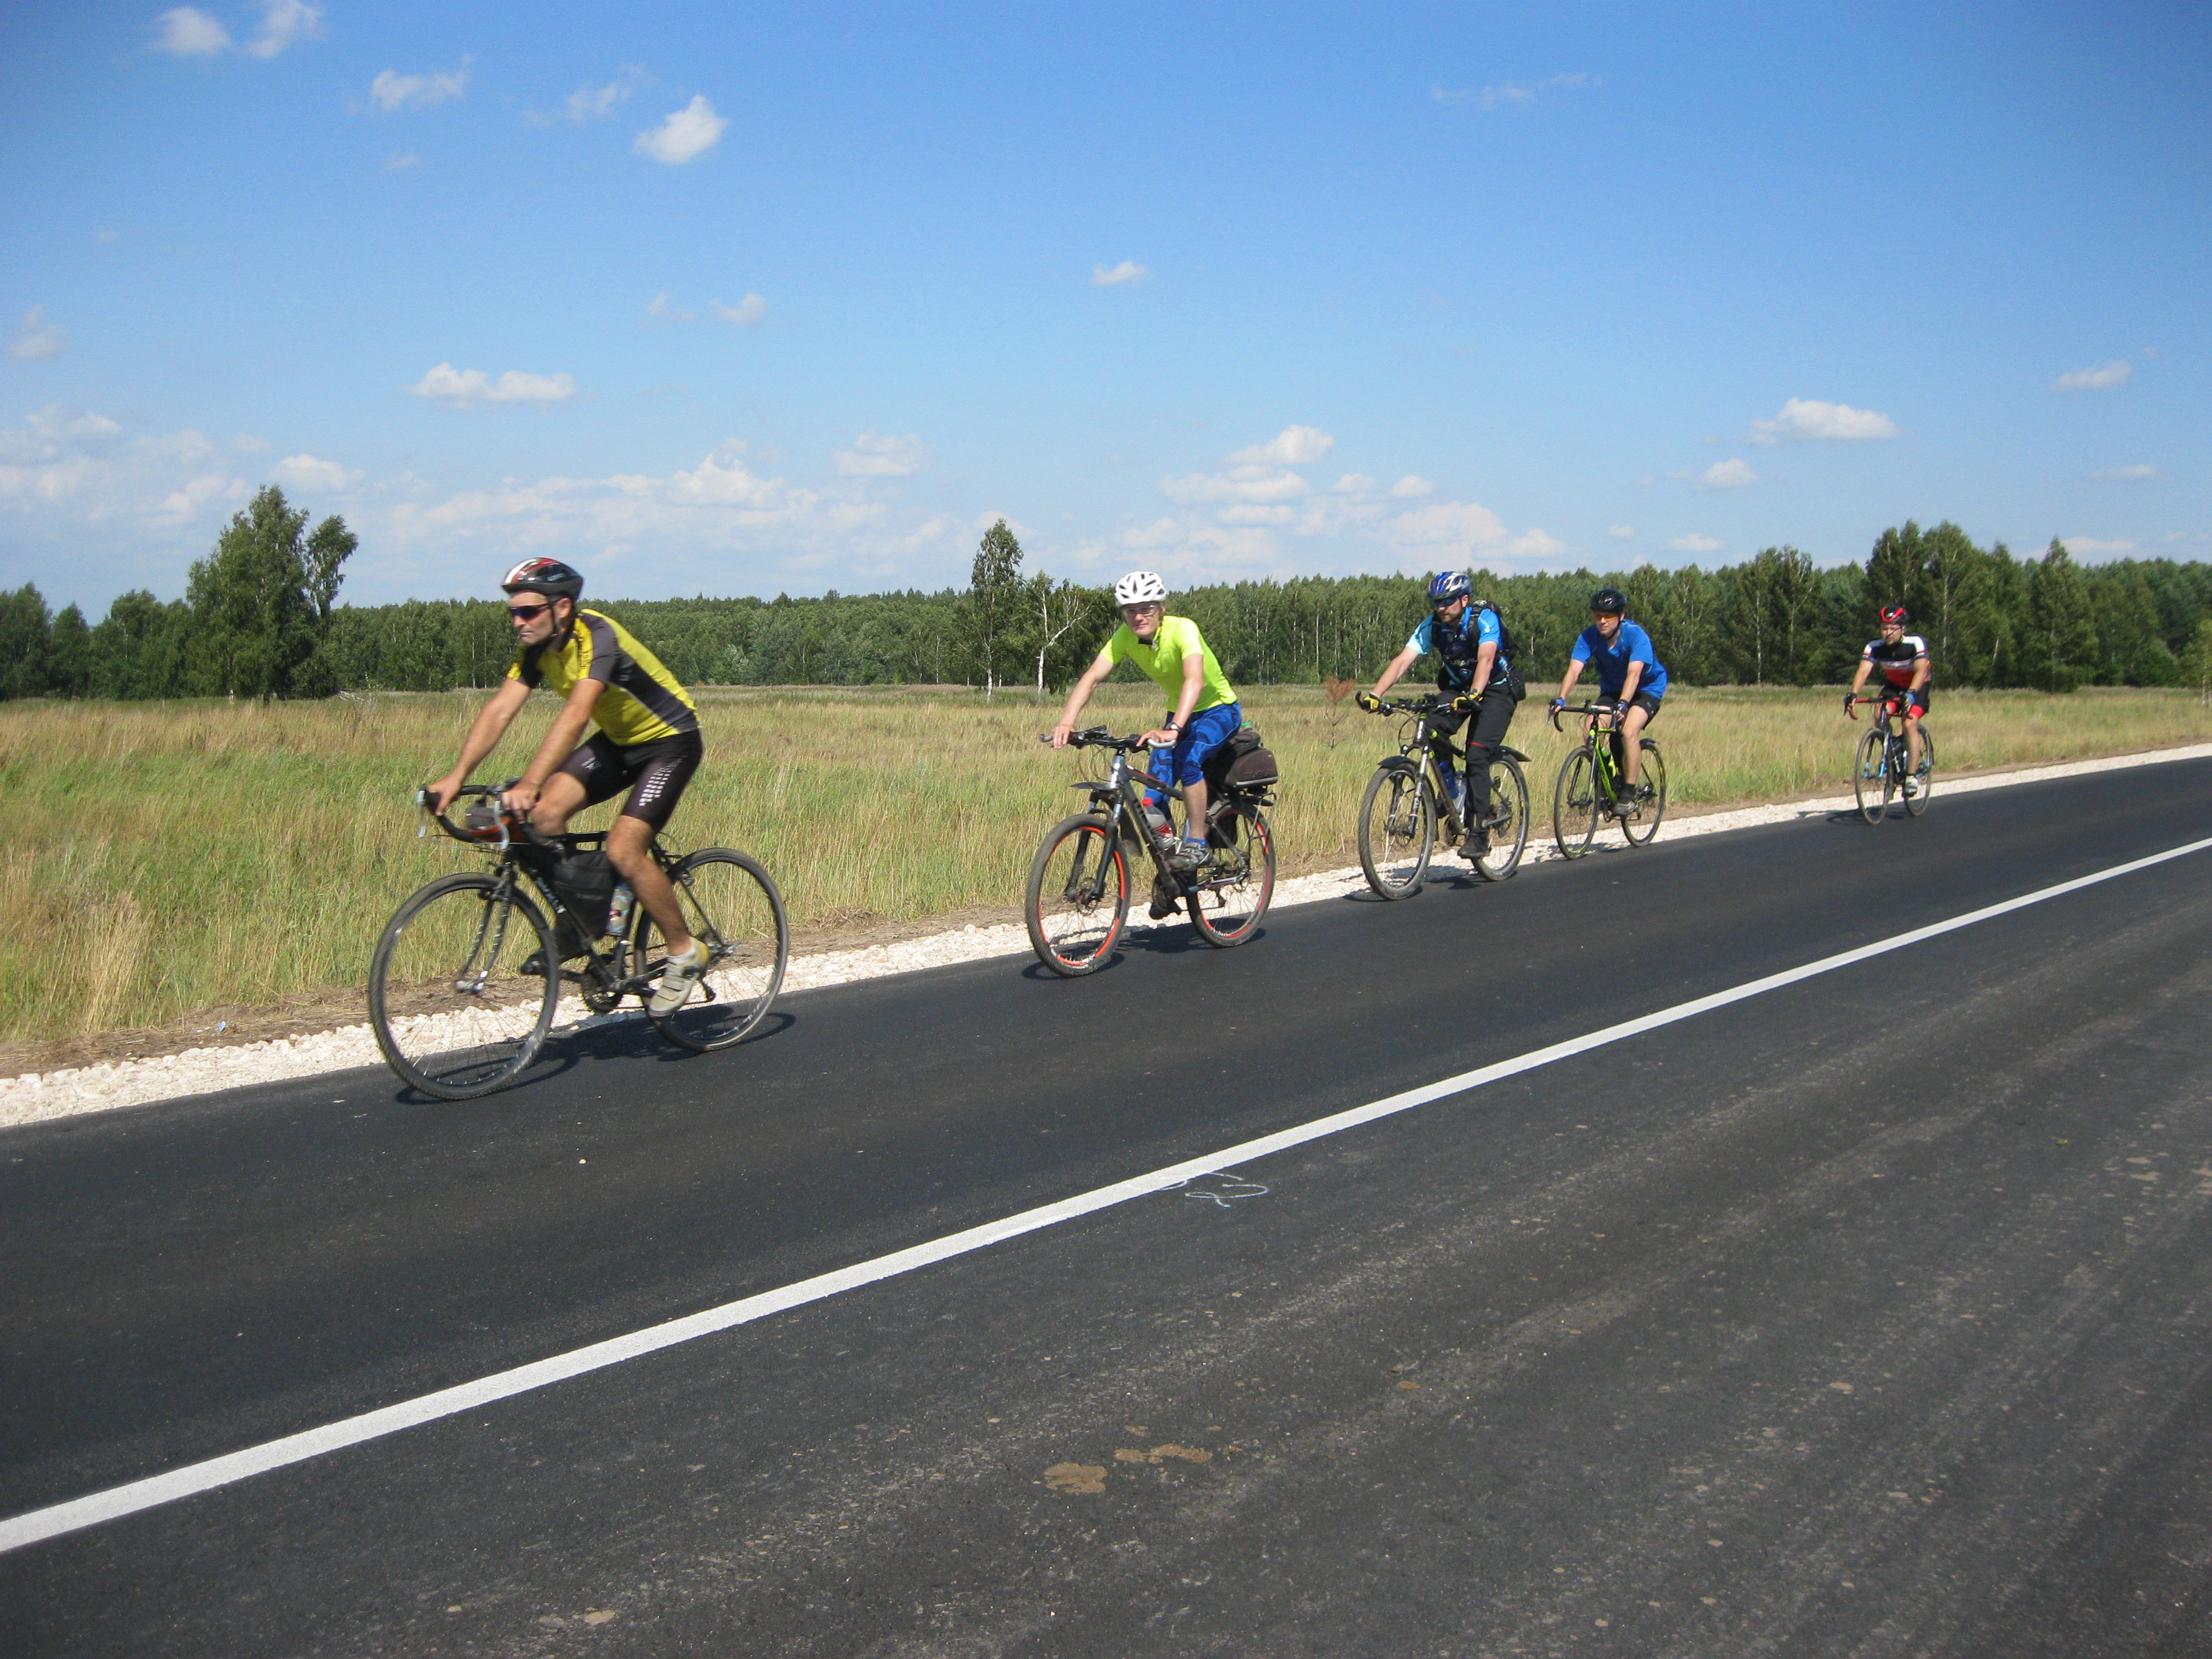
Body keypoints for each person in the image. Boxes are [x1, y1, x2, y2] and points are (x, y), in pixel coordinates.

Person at [427, 558, 709, 1014]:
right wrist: (456, 776)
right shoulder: (538, 650)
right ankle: (582, 920)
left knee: (624, 849)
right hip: (619, 742)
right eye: (512, 613)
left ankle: (684, 951)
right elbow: (500, 710)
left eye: (528, 612)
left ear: (561, 607)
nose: (518, 622)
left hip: (670, 743)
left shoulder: (597, 637)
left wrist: (532, 781)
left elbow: (577, 714)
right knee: (543, 815)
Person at [1051, 571, 1242, 884]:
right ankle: (1172, 872)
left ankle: (1197, 843)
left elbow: (1195, 680)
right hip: (1179, 713)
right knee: (1153, 797)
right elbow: (1092, 678)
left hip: (1218, 710)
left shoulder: (1183, 629)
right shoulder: (1125, 637)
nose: (1138, 617)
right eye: (1130, 610)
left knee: (1190, 762)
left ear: (1161, 608)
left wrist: (1175, 728)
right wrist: (1067, 722)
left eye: (1146, 608)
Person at [1356, 569, 1521, 858]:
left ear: (1464, 599)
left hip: (1497, 689)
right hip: (1459, 688)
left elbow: (1486, 659)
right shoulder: (1432, 626)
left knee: (1477, 754)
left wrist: (1475, 694)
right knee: (1429, 727)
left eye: (1447, 601)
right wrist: (1376, 694)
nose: (1440, 607)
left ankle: (1479, 834)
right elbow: (1403, 661)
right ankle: (1451, 791)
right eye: (1436, 602)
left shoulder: (1483, 620)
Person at [1550, 587, 1667, 809]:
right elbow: (1574, 670)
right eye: (1598, 616)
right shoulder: (1589, 637)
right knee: (1590, 729)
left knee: (1628, 730)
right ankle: (1610, 780)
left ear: (1621, 617)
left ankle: (1629, 793)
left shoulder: (1635, 635)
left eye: (1609, 617)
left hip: (1646, 688)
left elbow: (1634, 674)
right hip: (1612, 690)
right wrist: (1561, 699)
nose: (1602, 621)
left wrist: (1624, 704)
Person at [1848, 605, 1931, 790]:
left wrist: (1912, 693)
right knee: (1879, 713)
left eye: (1893, 628)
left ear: (1903, 629)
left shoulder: (1915, 643)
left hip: (1918, 685)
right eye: (1884, 628)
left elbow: (1921, 671)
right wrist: (1854, 694)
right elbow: (1864, 671)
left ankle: (1911, 775)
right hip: (1894, 685)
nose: (1888, 633)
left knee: (1909, 723)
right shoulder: (1874, 646)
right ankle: (1892, 749)